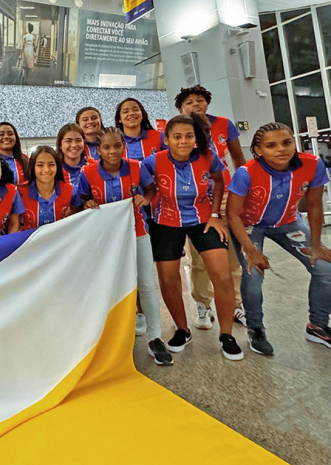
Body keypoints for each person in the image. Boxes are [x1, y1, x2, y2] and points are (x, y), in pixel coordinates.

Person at [142, 114, 243, 361]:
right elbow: (147, 189)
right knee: (168, 279)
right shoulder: (152, 162)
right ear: (167, 139)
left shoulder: (209, 157)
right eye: (177, 136)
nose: (183, 141)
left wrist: (216, 214)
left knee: (222, 275)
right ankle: (182, 330)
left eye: (189, 136)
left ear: (196, 139)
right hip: (166, 222)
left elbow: (219, 181)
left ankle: (227, 335)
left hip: (204, 219)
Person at [227, 122, 331, 354]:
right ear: (258, 150)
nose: (281, 149)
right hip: (250, 225)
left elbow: (314, 205)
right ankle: (255, 328)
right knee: (253, 273)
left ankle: (317, 326)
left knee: (325, 267)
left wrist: (316, 245)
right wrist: (251, 251)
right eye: (271, 145)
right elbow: (232, 215)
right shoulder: (246, 173)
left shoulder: (313, 164)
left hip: (288, 222)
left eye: (286, 142)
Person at [77, 128, 171, 366]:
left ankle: (155, 337)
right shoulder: (88, 173)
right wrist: (87, 203)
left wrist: (145, 198)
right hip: (104, 238)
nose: (112, 151)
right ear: (98, 150)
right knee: (109, 284)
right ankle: (112, 338)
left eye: (117, 145)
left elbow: (151, 189)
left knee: (146, 283)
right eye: (106, 147)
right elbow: (81, 199)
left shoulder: (137, 167)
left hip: (137, 232)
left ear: (123, 146)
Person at [175, 85, 247, 329]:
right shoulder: (179, 130)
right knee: (198, 256)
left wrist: (242, 189)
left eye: (200, 100)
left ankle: (235, 304)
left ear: (207, 103)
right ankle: (202, 304)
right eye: (189, 102)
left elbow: (238, 158)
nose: (195, 104)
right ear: (181, 109)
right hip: (194, 200)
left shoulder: (224, 124)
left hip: (225, 194)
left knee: (231, 253)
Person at [18, 146, 79, 230]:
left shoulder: (71, 191)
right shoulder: (19, 193)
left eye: (51, 164)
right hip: (29, 238)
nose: (46, 170)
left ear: (57, 167)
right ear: (33, 168)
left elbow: (77, 213)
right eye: (40, 165)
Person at [56, 123, 93, 190]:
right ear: (60, 144)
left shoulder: (94, 167)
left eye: (78, 140)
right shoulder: (54, 171)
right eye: (68, 141)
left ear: (84, 142)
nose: (74, 145)